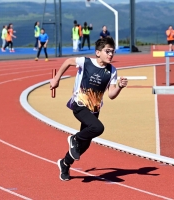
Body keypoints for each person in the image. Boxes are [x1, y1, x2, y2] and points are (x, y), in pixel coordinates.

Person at [50, 37, 128, 181]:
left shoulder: (112, 70)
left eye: (113, 52)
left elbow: (111, 95)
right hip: (79, 104)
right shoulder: (86, 62)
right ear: (98, 53)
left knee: (83, 146)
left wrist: (120, 87)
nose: (111, 54)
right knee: (98, 128)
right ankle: (74, 138)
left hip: (94, 110)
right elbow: (68, 62)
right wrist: (56, 79)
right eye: (107, 51)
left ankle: (65, 163)